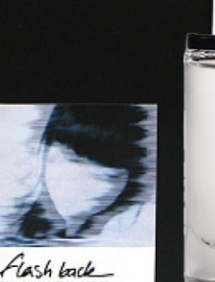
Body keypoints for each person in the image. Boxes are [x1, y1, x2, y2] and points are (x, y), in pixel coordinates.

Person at [9, 104, 154, 245]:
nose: (86, 186)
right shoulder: (12, 216)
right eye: (72, 160)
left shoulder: (129, 229)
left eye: (110, 176)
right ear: (44, 153)